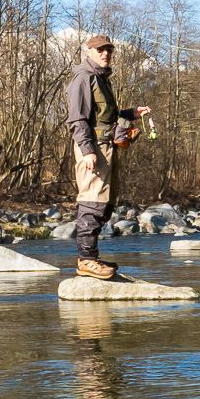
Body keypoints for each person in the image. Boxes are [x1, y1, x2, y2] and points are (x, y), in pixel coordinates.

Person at [65, 35, 151, 279]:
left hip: (106, 148)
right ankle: (86, 261)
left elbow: (105, 117)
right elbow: (77, 119)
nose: (105, 54)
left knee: (105, 204)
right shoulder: (84, 77)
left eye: (109, 50)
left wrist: (131, 113)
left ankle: (90, 257)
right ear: (88, 51)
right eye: (100, 50)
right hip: (93, 149)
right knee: (92, 203)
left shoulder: (101, 78)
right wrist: (87, 151)